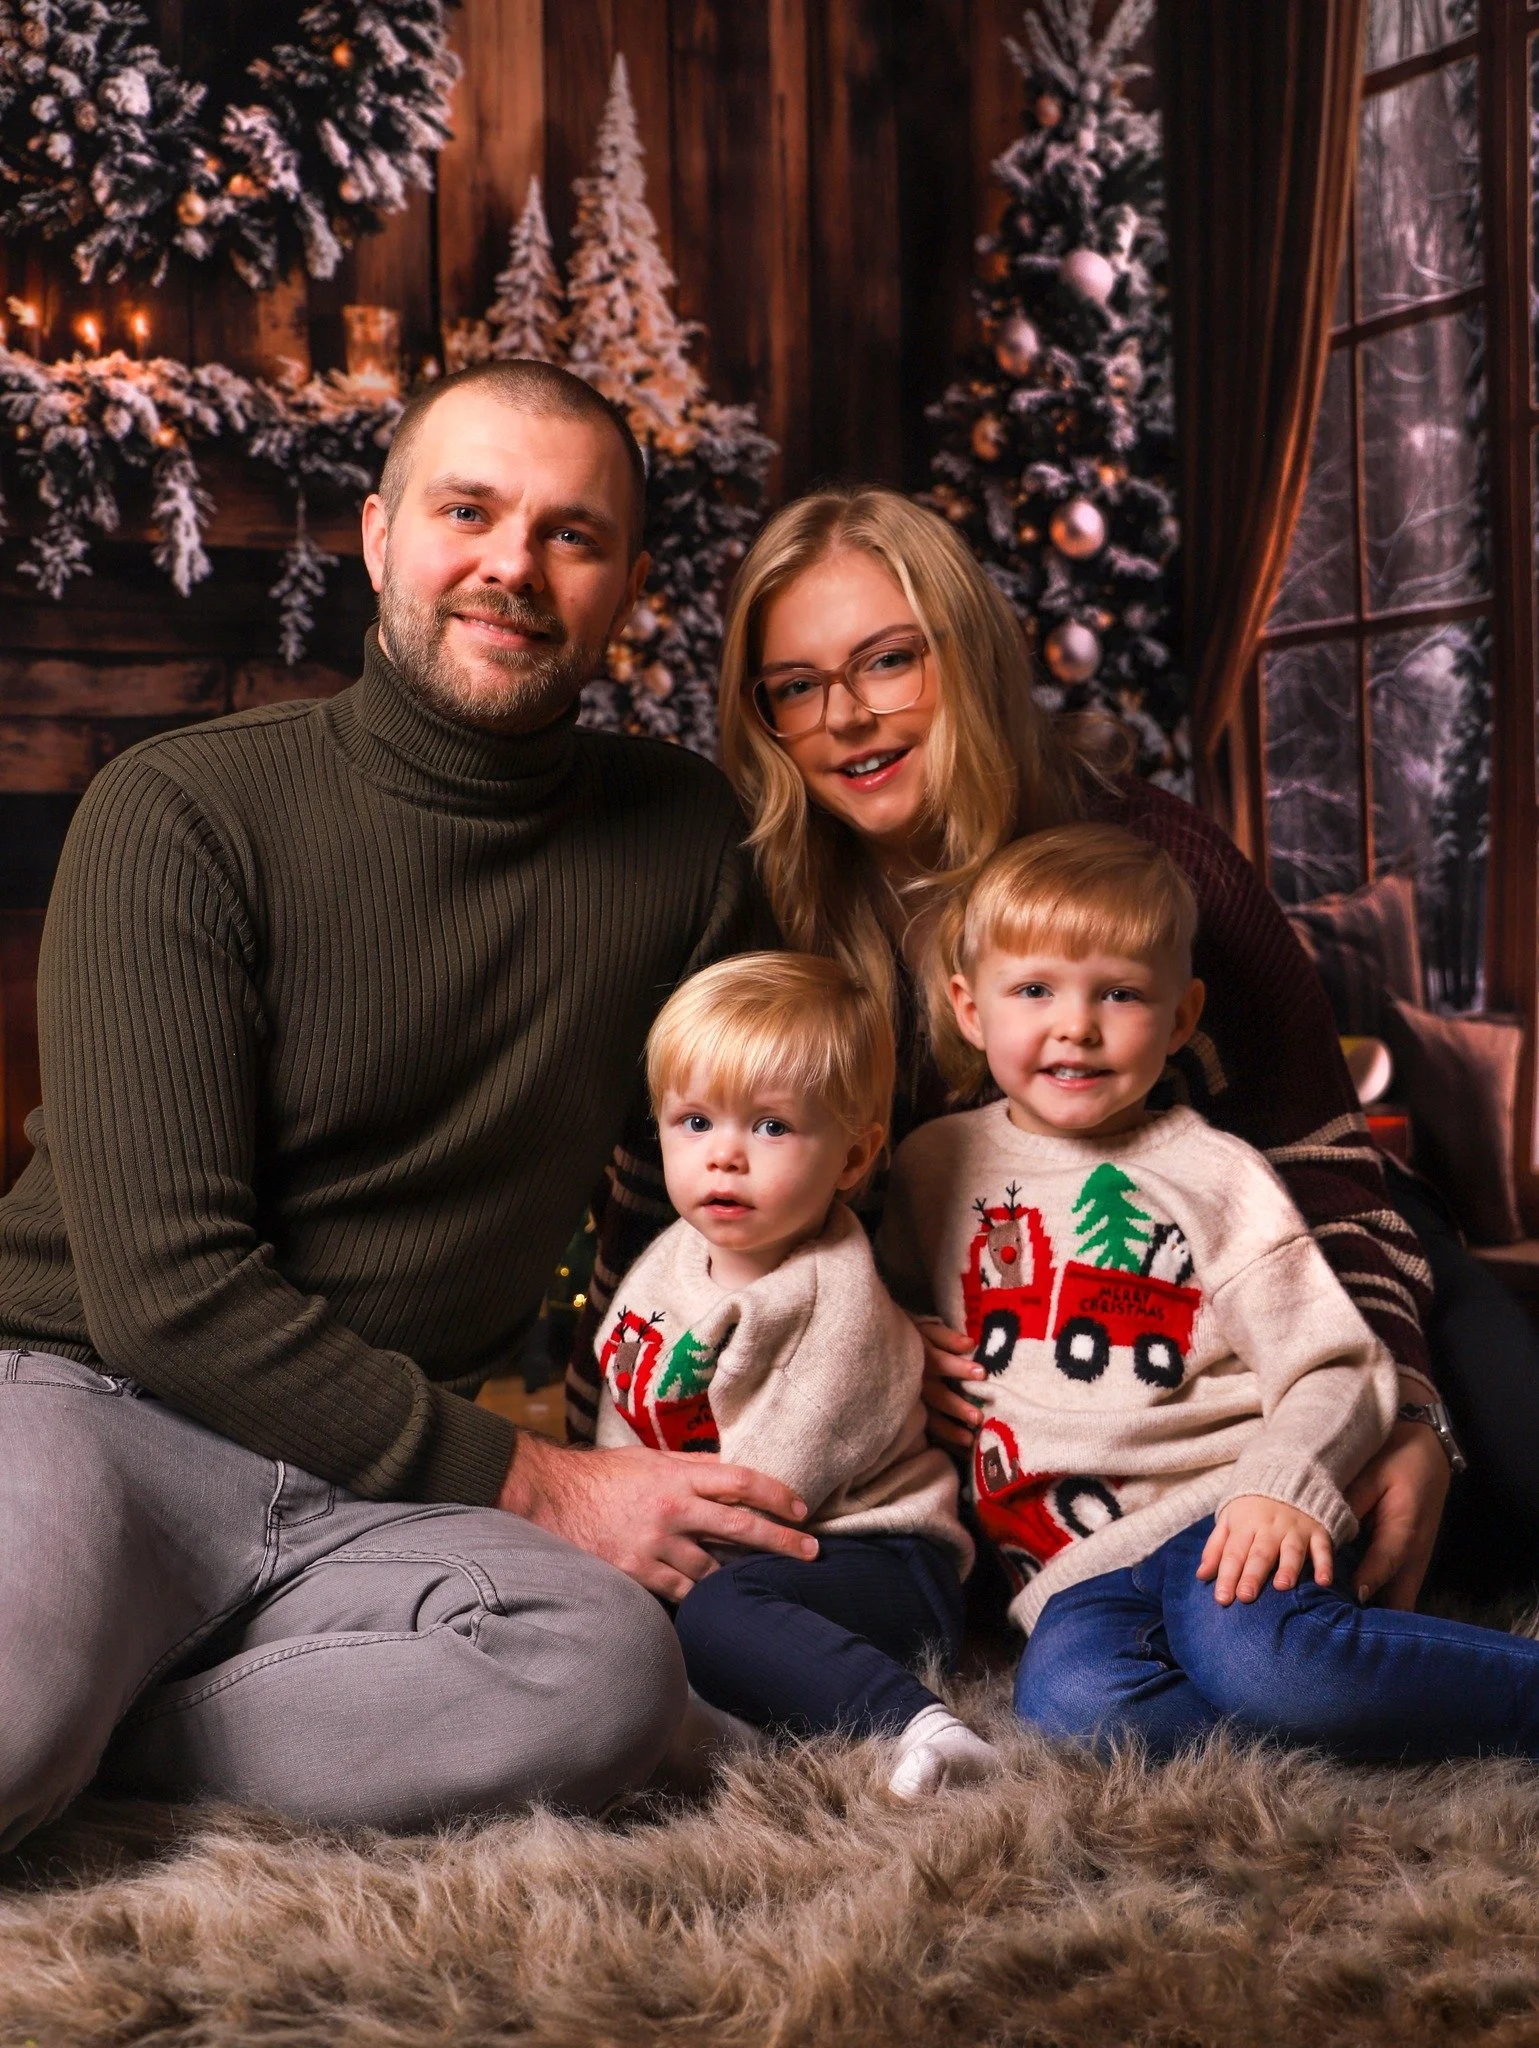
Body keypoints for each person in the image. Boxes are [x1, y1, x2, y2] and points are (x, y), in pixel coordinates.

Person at [0, 360, 817, 1851]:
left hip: (376, 1490)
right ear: (379, 539)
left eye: (571, 535)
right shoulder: (181, 813)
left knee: (605, 1674)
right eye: (468, 510)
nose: (512, 564)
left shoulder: (684, 841)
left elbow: (736, 1153)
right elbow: (164, 1294)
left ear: (625, 586)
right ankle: (63, 1714)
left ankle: (105, 1736)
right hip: (95, 1409)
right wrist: (537, 1480)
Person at [569, 484, 1456, 1614]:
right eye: (796, 686)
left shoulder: (1144, 852)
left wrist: (1414, 1408)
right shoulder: (763, 902)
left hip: (1291, 1270)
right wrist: (607, 1457)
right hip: (1047, 1381)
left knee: (1491, 1476)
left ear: (970, 656)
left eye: (889, 661)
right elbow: (676, 1191)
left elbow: (1327, 1165)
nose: (845, 716)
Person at [878, 824, 1539, 1760]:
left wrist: (1285, 1487)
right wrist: (907, 1342)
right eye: (1033, 991)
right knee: (1073, 1714)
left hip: (1225, 1507)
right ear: (969, 1009)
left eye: (1119, 993)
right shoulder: (930, 1167)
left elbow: (1334, 1361)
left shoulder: (1210, 1173)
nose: (1075, 1025)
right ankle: (1354, 1713)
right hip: (1074, 1575)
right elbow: (892, 1311)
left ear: (1181, 1017)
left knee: (1266, 1659)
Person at [594, 952, 997, 1797]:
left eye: (771, 1127)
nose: (724, 1158)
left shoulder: (834, 1301)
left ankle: (924, 1727)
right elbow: (622, 1408)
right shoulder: (669, 1260)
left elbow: (768, 1497)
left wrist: (653, 1564)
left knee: (714, 1610)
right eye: (694, 1123)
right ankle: (738, 1719)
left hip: (873, 1555)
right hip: (743, 1548)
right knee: (617, 1605)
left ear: (852, 1158)